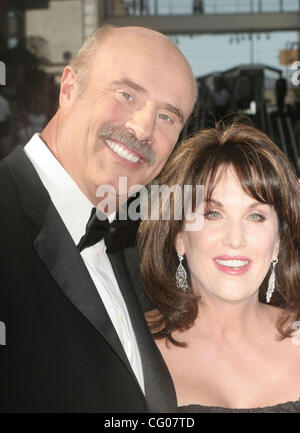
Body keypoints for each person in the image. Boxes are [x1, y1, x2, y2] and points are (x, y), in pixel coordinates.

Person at [0, 25, 197, 412]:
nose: (143, 128)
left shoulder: (116, 244)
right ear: (69, 88)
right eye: (126, 95)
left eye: (167, 117)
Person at [138, 121, 300, 413]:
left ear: (277, 242)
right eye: (213, 213)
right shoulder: (131, 349)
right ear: (179, 237)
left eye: (256, 217)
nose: (235, 239)